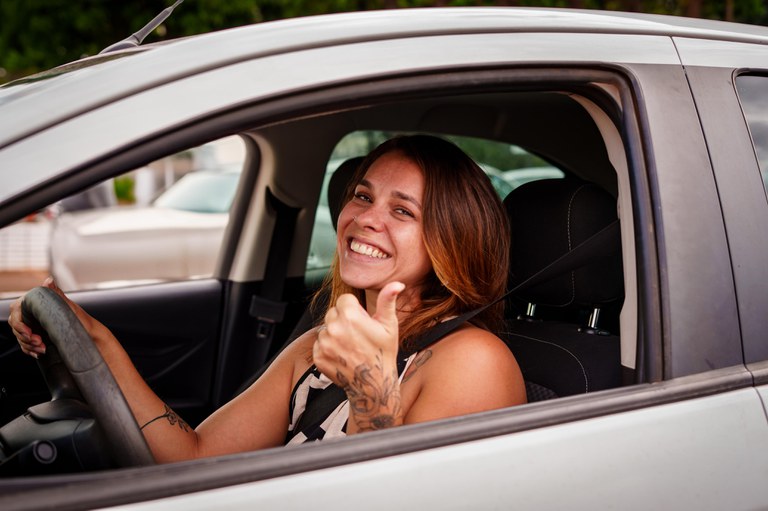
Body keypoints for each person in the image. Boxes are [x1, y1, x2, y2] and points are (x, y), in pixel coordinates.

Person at [10, 135, 526, 463]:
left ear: (451, 242)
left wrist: (370, 391)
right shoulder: (319, 346)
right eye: (363, 196)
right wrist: (95, 339)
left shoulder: (473, 361)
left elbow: (400, 499)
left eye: (403, 211)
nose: (366, 218)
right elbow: (196, 455)